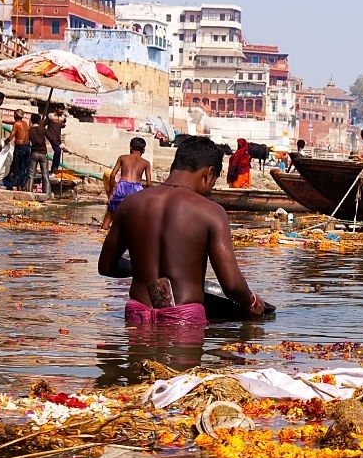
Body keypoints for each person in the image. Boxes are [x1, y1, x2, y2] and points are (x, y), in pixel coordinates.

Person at [98, 136, 265, 325]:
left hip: (138, 315)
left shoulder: (131, 204)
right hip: (183, 320)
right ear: (209, 174)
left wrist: (139, 267)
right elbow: (231, 285)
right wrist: (252, 302)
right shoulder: (211, 212)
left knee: (139, 354)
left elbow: (106, 266)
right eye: (213, 183)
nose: (209, 190)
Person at [100, 137, 152, 230]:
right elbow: (149, 184)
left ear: (130, 147)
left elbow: (112, 175)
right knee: (134, 219)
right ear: (143, 150)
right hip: (137, 189)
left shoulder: (122, 158)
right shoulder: (146, 163)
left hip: (122, 187)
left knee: (109, 216)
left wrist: (111, 193)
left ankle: (102, 232)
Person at [5, 109, 31, 191]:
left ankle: (18, 185)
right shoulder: (25, 123)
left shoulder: (16, 124)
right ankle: (22, 185)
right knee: (23, 167)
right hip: (27, 147)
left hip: (20, 148)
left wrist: (5, 141)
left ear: (15, 116)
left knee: (17, 167)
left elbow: (11, 136)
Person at [27, 113, 51, 196]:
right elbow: (51, 138)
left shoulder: (29, 131)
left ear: (31, 121)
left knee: (31, 174)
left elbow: (27, 142)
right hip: (43, 153)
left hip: (34, 153)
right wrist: (60, 145)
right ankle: (47, 193)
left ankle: (29, 193)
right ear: (39, 121)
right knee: (45, 174)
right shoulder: (43, 129)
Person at [43, 105, 67, 175]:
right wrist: (46, 134)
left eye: (62, 109)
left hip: (57, 138)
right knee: (58, 151)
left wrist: (62, 125)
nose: (61, 111)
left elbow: (63, 123)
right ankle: (54, 169)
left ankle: (54, 169)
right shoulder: (50, 116)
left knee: (58, 152)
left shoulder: (62, 118)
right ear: (56, 108)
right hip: (51, 137)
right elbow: (43, 125)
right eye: (60, 109)